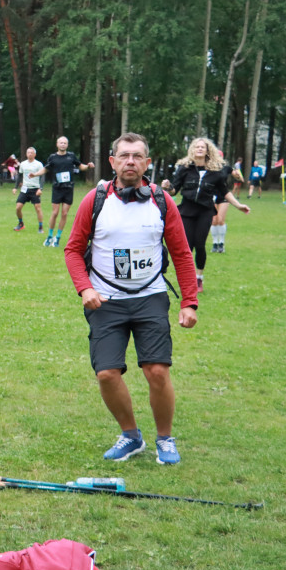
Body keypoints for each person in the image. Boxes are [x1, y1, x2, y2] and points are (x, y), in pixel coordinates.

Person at [63, 132, 198, 465]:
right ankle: (131, 435)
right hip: (104, 299)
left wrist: (189, 302)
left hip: (150, 296)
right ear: (112, 162)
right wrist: (85, 288)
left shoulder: (162, 201)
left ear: (147, 163)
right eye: (124, 156)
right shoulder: (94, 201)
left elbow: (181, 253)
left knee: (157, 371)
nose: (130, 162)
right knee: (107, 373)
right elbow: (72, 250)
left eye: (137, 156)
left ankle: (165, 438)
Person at [160, 138, 250, 292]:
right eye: (197, 146)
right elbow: (175, 190)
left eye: (203, 147)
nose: (200, 149)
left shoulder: (215, 171)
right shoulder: (184, 168)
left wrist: (238, 205)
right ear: (192, 150)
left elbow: (225, 192)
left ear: (208, 151)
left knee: (199, 244)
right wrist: (167, 187)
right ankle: (187, 279)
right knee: (187, 246)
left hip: (205, 211)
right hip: (186, 211)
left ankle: (199, 278)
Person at [29, 136, 94, 247]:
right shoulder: (53, 157)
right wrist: (35, 174)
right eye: (61, 143)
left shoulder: (71, 156)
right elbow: (46, 168)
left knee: (64, 213)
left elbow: (81, 166)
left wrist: (88, 166)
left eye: (65, 143)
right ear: (57, 144)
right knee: (55, 213)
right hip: (57, 188)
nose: (63, 144)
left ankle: (57, 238)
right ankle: (49, 236)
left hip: (68, 189)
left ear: (67, 145)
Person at [12, 147, 44, 232]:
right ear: (26, 154)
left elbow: (42, 176)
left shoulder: (38, 164)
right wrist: (15, 187)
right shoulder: (23, 164)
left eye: (31, 153)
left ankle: (40, 227)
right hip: (25, 189)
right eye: (28, 152)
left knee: (38, 208)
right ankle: (21, 224)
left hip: (35, 189)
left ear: (35, 154)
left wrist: (40, 188)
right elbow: (19, 175)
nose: (30, 154)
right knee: (18, 207)